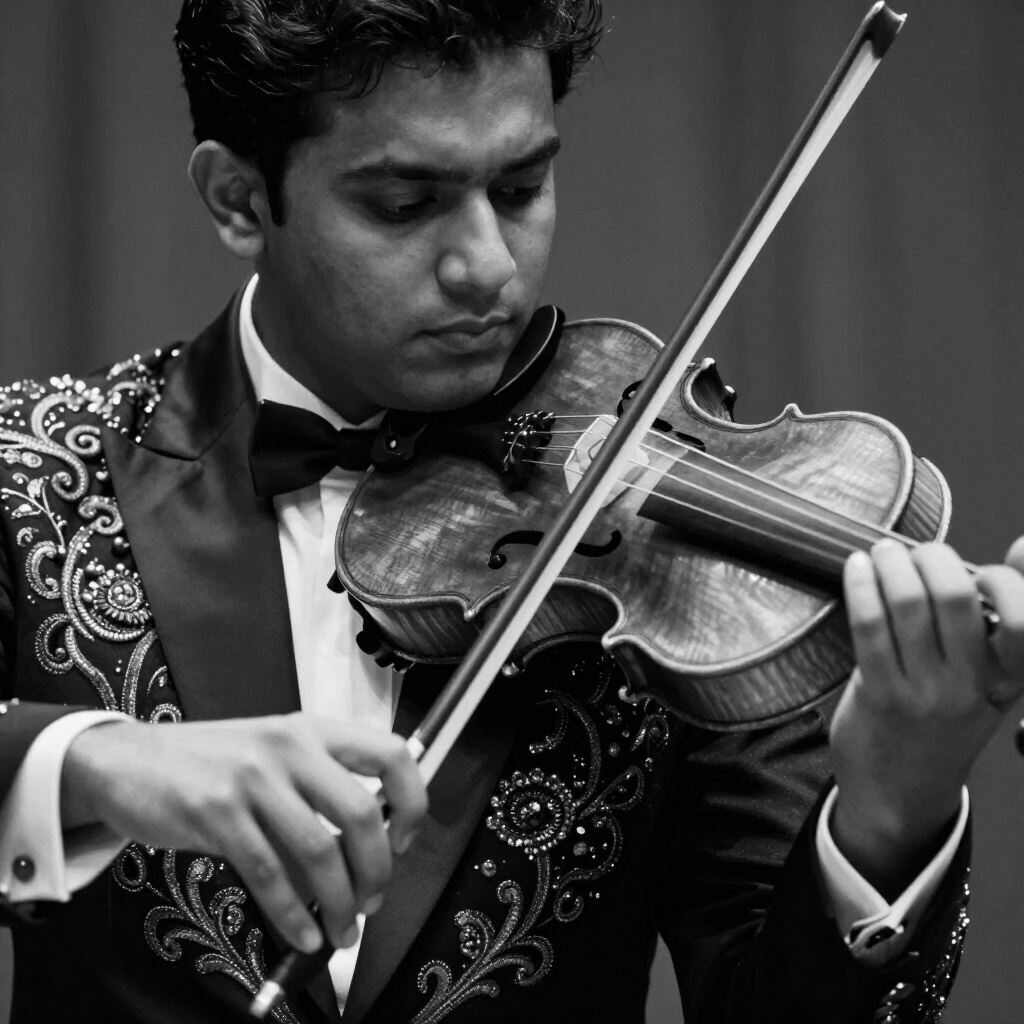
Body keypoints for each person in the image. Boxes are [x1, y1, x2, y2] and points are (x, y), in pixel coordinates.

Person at [1, 2, 1023, 1022]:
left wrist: (892, 806)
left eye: (522, 188)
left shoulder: (670, 548)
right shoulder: (37, 470)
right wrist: (94, 762)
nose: (489, 265)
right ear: (239, 199)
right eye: (405, 204)